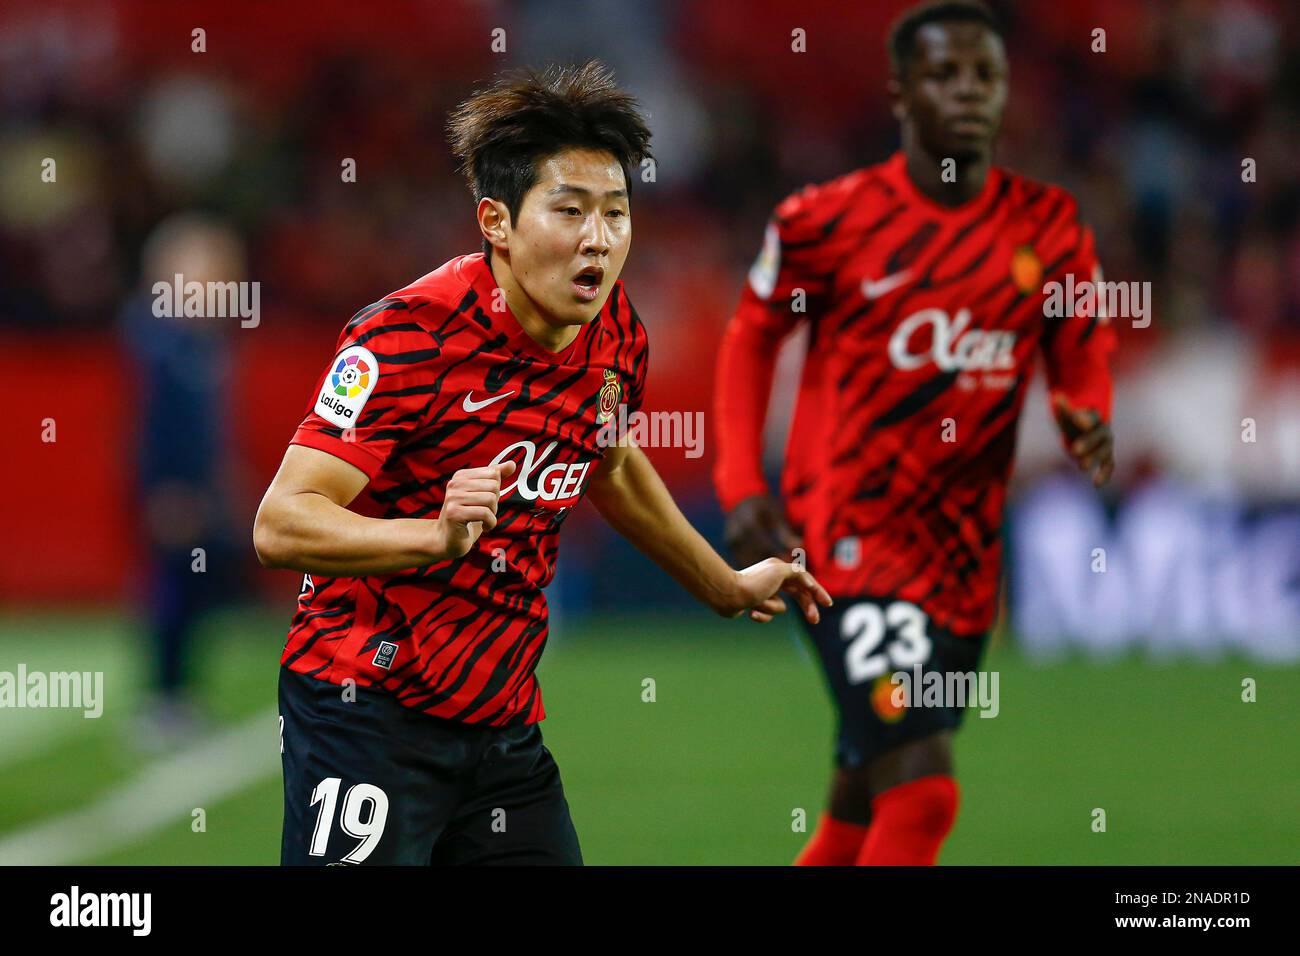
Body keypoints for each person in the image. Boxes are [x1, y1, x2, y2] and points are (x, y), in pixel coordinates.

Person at [253, 60, 831, 866]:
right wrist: (433, 538)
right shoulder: (406, 339)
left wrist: (725, 586)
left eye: (617, 214)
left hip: (503, 727)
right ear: (496, 222)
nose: (599, 239)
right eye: (570, 211)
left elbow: (612, 462)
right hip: (365, 711)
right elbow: (281, 524)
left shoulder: (615, 336)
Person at [713, 1, 1116, 866]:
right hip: (844, 537)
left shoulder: (1049, 229)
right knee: (923, 786)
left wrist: (1088, 410)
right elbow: (751, 337)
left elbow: (1079, 346)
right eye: (945, 74)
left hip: (965, 556)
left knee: (863, 794)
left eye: (986, 75)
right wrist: (742, 484)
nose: (969, 92)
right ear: (900, 91)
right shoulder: (827, 221)